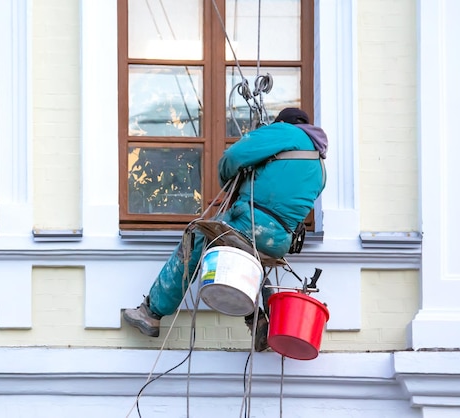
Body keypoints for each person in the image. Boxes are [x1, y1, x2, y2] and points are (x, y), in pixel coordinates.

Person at [122, 107, 328, 350]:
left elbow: (234, 156)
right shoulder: (321, 168)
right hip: (280, 239)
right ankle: (260, 321)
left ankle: (151, 313)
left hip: (250, 222)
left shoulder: (287, 133)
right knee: (253, 261)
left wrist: (229, 178)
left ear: (284, 123)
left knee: (197, 237)